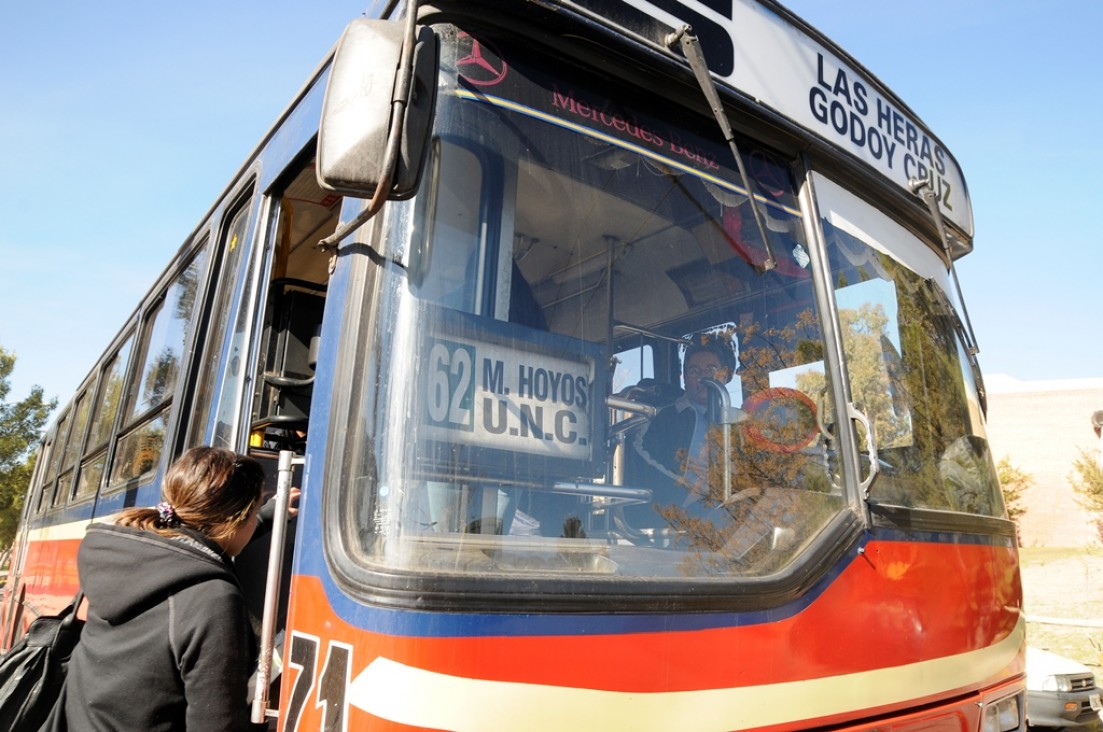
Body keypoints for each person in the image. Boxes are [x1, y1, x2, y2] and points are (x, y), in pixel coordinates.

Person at [43, 447, 268, 732]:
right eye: (256, 509)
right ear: (234, 518)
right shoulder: (212, 598)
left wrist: (267, 517)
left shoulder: (121, 556)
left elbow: (207, 537)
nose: (256, 519)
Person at [631, 335, 737, 517]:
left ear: (724, 374)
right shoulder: (662, 418)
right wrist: (689, 493)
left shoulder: (741, 422)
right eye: (695, 371)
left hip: (736, 508)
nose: (704, 378)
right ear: (685, 378)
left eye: (711, 369)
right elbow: (641, 458)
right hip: (684, 513)